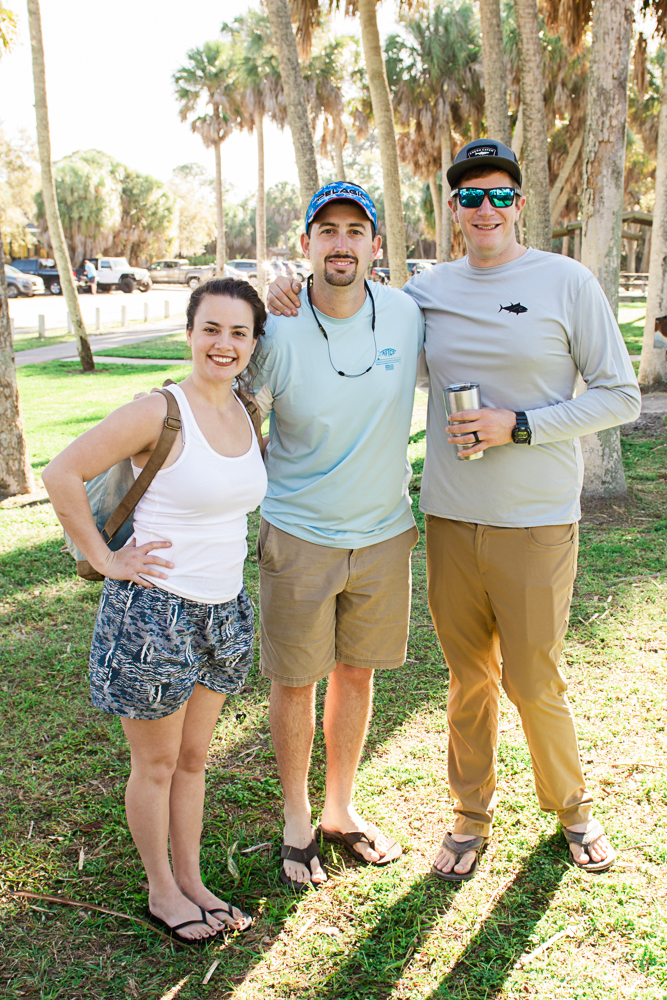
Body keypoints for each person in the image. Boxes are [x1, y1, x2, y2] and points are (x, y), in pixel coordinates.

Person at [266, 140, 641, 880]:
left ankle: (572, 809)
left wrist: (519, 424)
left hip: (535, 520)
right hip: (446, 518)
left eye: (500, 194)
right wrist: (284, 290)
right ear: (453, 208)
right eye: (471, 197)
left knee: (533, 677)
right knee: (468, 678)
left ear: (519, 204)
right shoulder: (424, 295)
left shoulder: (565, 282)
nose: (485, 209)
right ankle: (469, 819)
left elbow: (619, 395)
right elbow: (348, 309)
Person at [43, 278, 268, 943]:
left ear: (252, 343)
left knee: (195, 760)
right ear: (190, 332)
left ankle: (193, 879)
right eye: (211, 329)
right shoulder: (157, 410)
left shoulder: (245, 409)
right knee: (158, 765)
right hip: (153, 615)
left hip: (222, 612)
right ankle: (161, 889)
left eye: (238, 333)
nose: (223, 344)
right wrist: (107, 559)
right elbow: (62, 474)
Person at [255, 181, 424, 889]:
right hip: (298, 533)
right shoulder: (277, 327)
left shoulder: (409, 313)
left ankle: (340, 809)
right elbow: (237, 415)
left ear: (375, 246)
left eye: (356, 230)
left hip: (385, 533)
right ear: (306, 247)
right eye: (327, 231)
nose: (341, 243)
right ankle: (297, 817)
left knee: (356, 674)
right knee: (295, 682)